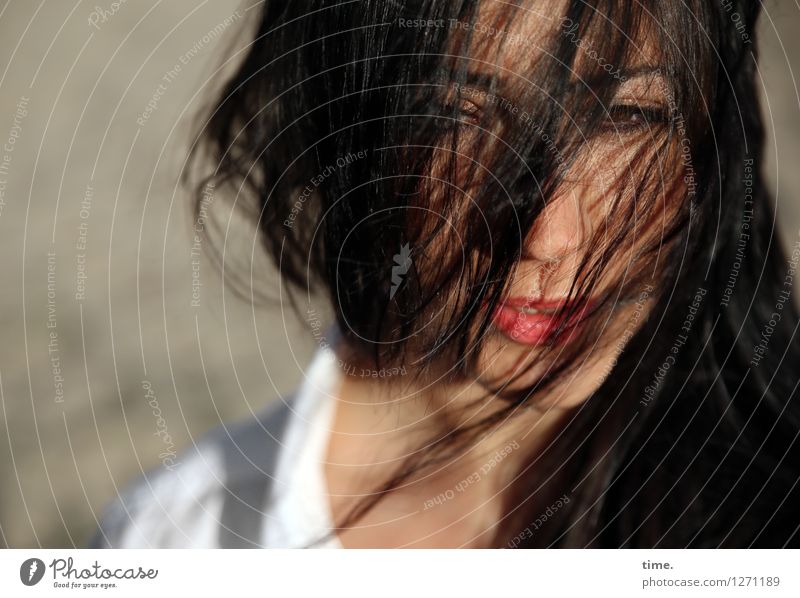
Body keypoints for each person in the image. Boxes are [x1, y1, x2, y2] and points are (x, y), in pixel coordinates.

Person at [91, 0, 800, 548]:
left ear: (709, 136)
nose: (549, 236)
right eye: (461, 115)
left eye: (626, 117)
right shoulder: (175, 542)